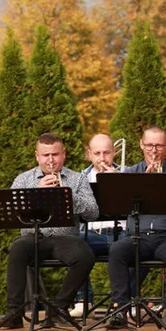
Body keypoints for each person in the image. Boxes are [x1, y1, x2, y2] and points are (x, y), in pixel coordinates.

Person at [0, 133, 98, 330]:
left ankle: (59, 307)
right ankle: (14, 312)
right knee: (17, 249)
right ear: (37, 156)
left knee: (85, 256)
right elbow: (12, 213)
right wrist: (35, 192)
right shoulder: (24, 179)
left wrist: (69, 195)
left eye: (55, 154)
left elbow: (93, 213)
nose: (50, 160)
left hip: (65, 238)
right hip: (33, 237)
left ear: (63, 154)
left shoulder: (77, 179)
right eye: (45, 155)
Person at [107, 126, 166, 328]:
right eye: (150, 145)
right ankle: (120, 307)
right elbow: (118, 206)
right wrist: (144, 182)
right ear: (142, 145)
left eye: (159, 145)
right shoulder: (130, 173)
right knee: (117, 250)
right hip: (138, 236)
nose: (154, 150)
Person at [69, 133, 126, 317]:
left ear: (114, 153)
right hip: (92, 234)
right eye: (97, 153)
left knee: (143, 242)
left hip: (123, 233)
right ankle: (83, 300)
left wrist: (118, 182)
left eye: (107, 153)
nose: (102, 158)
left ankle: (125, 301)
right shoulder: (79, 179)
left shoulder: (128, 174)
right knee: (70, 244)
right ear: (89, 154)